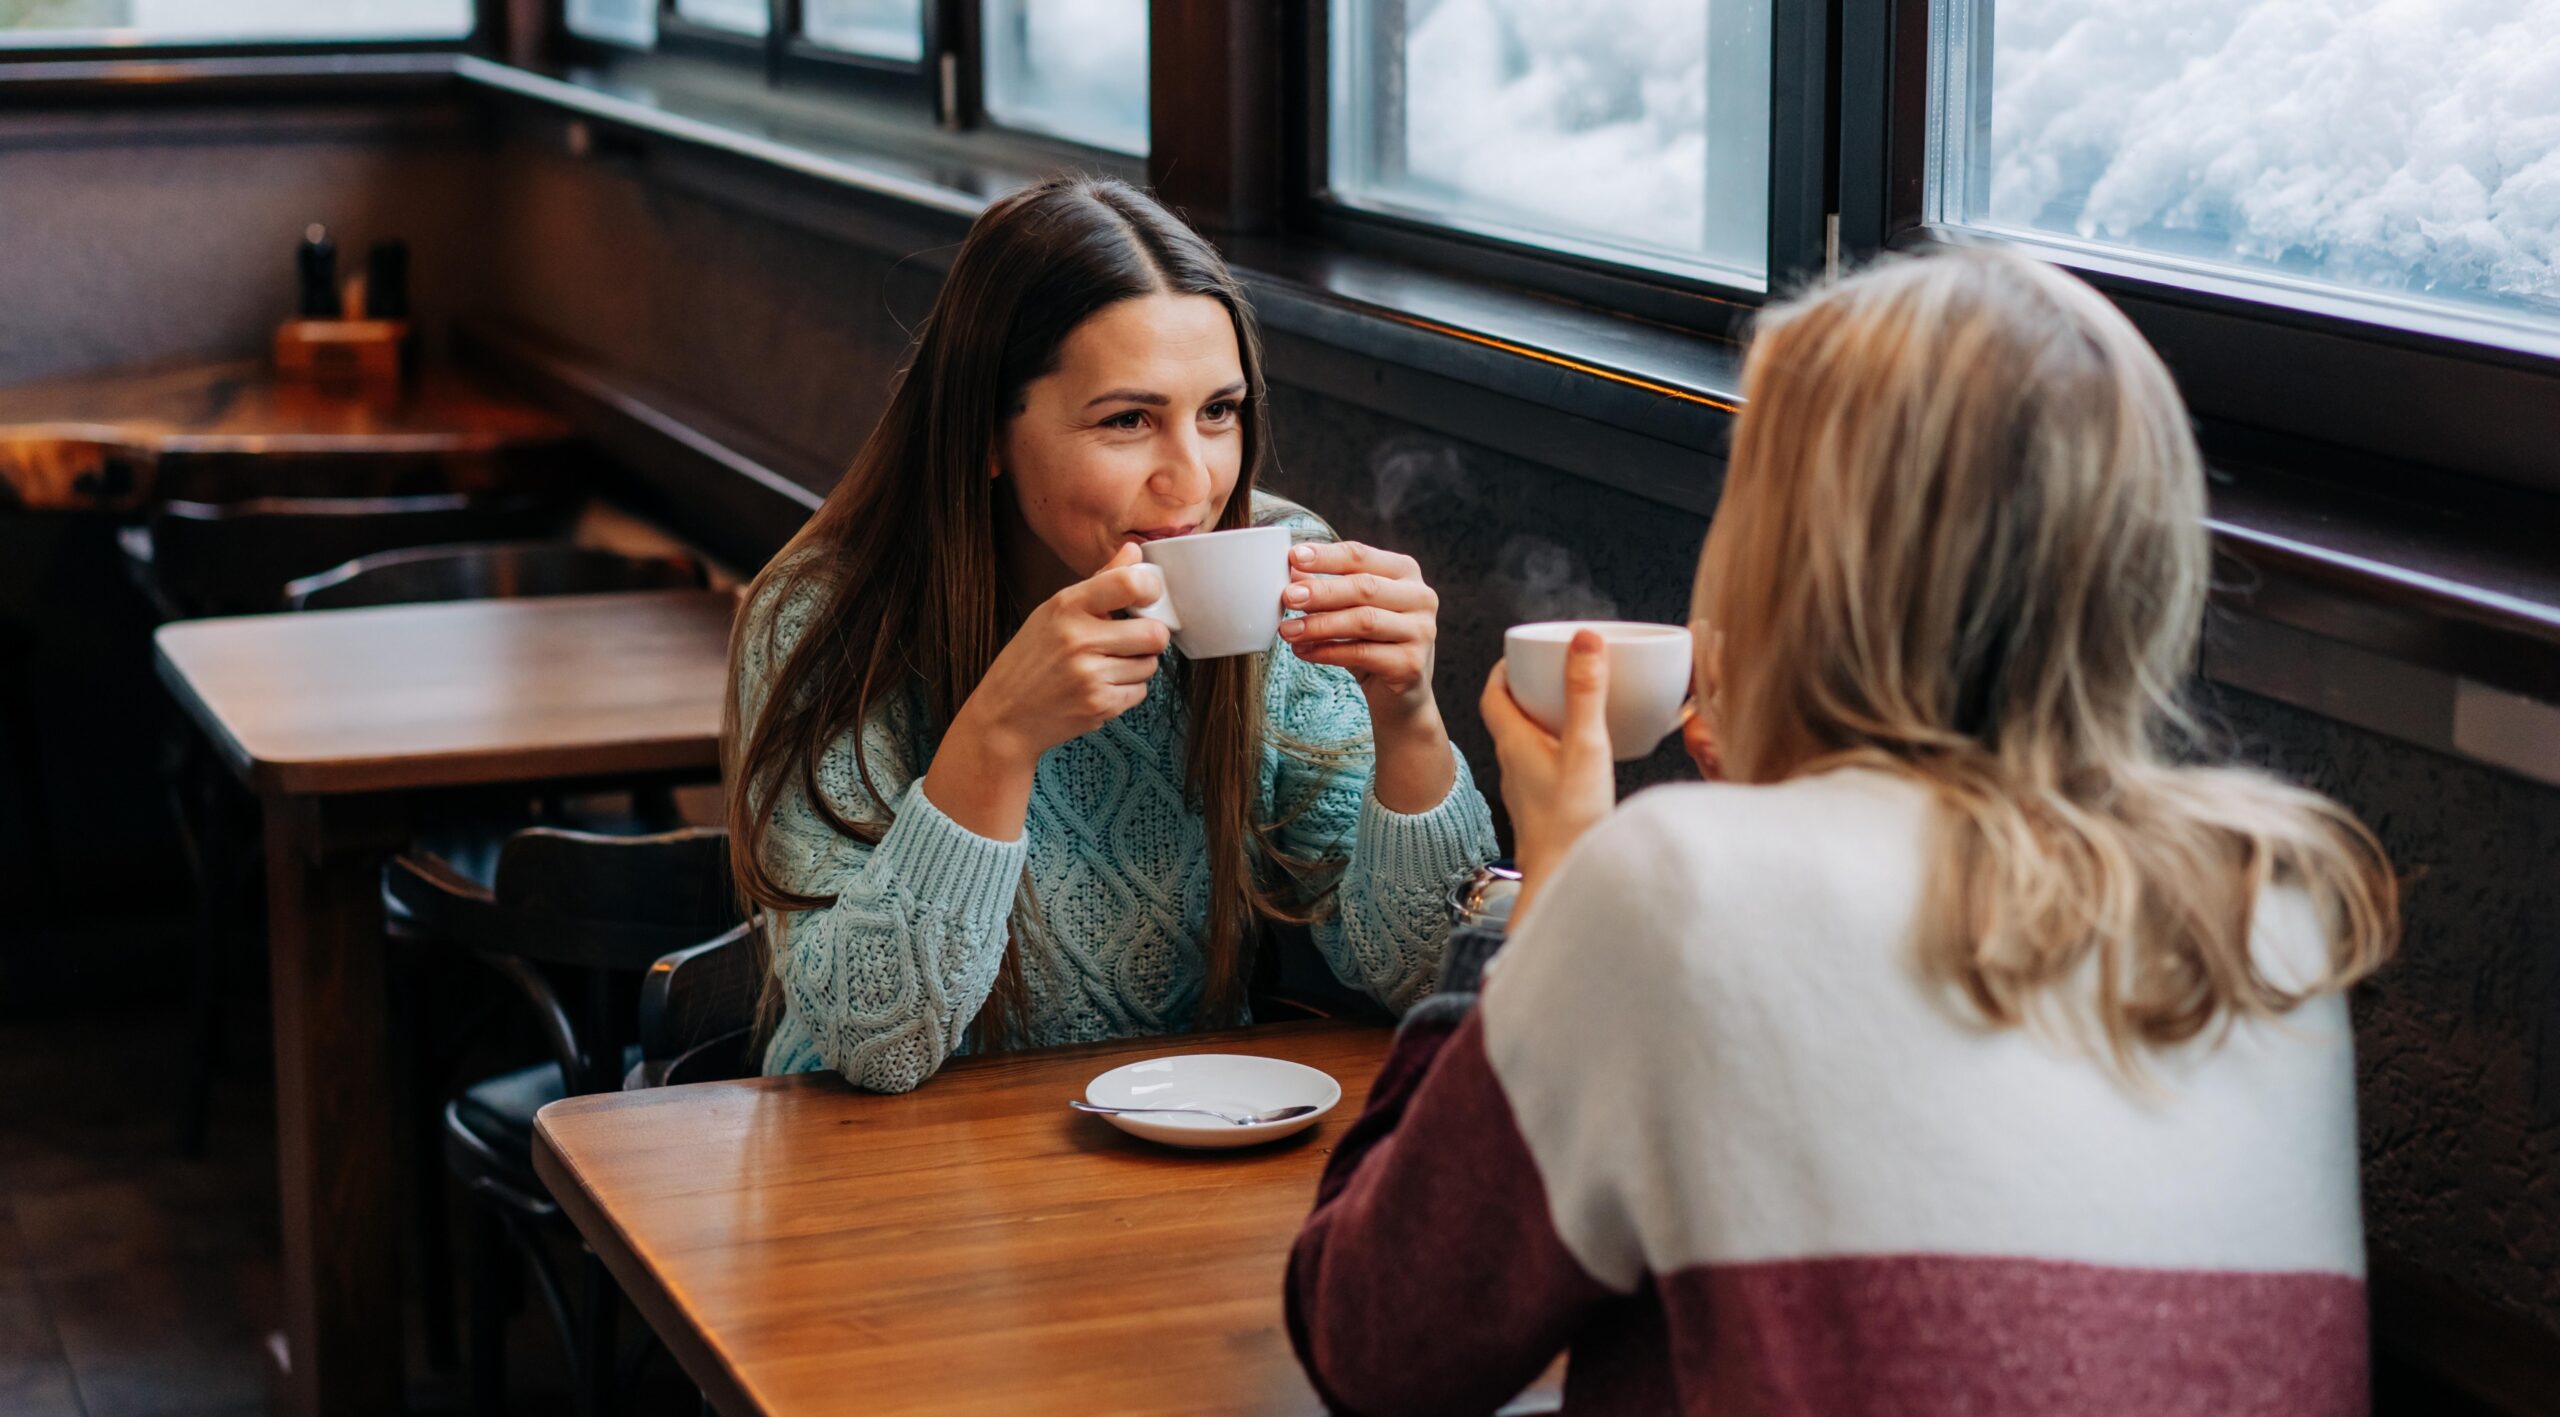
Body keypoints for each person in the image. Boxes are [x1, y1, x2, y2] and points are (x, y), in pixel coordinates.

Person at [1286, 250, 2399, 1414]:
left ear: (1790, 561)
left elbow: (1373, 1343)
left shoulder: (1672, 885)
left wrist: (1551, 892)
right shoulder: (2271, 904)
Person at [724, 174, 1497, 1094]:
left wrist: (1408, 715)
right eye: (1129, 419)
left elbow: (1430, 977)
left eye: (1218, 411)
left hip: (1185, 1134)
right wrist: (999, 736)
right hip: (873, 1152)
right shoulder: (826, 619)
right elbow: (875, 1042)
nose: (1193, 481)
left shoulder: (1280, 567)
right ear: (986, 432)